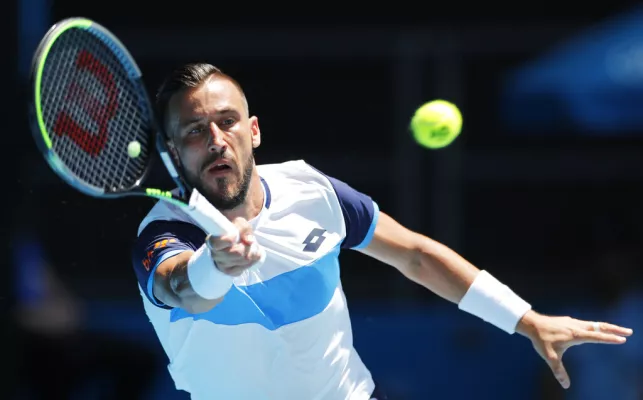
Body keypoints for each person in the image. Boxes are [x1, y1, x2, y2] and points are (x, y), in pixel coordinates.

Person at [131, 62, 633, 400]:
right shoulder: (163, 234)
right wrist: (215, 264)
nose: (216, 140)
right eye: (195, 131)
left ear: (254, 130)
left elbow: (413, 254)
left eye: (227, 121)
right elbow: (183, 287)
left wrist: (524, 319)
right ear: (174, 152)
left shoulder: (314, 192)